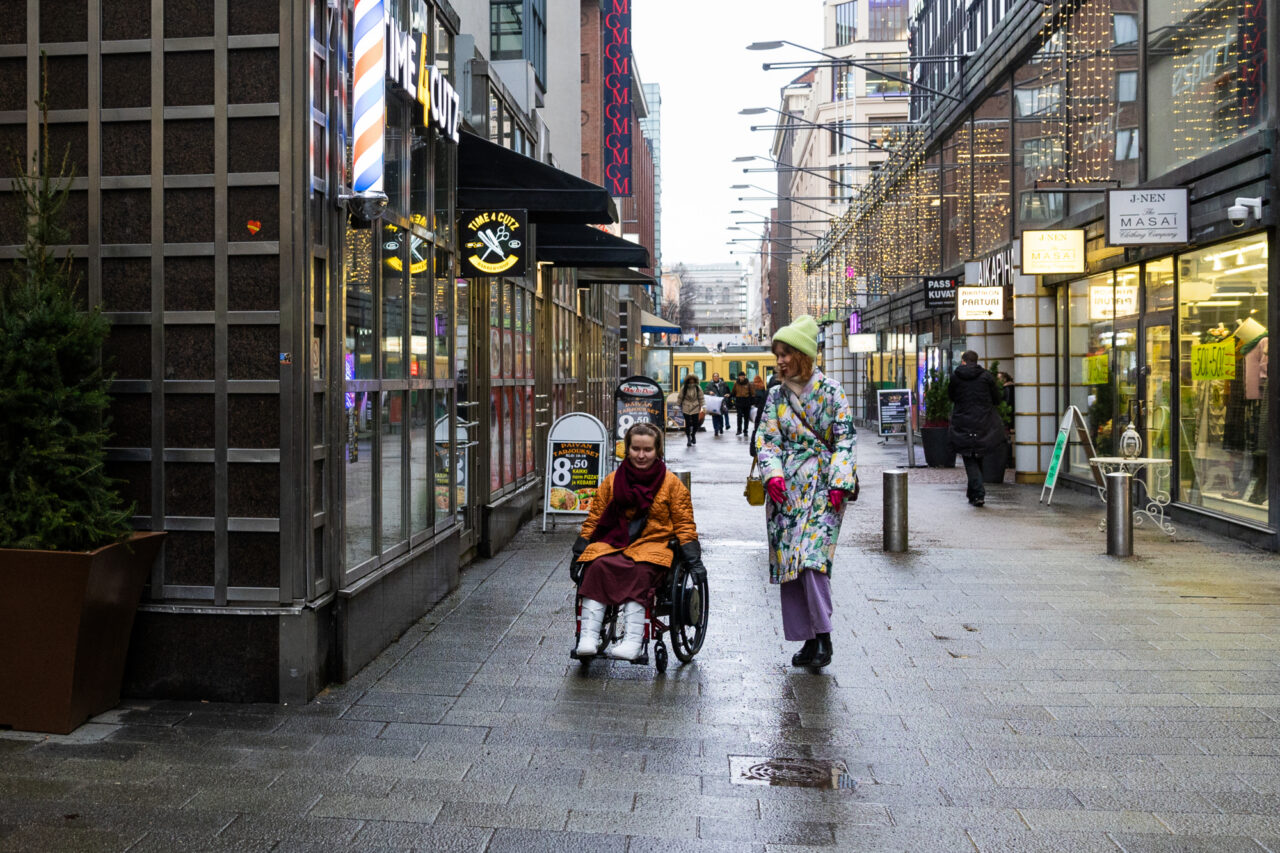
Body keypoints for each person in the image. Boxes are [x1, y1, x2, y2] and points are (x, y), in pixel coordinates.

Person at [756, 315, 856, 670]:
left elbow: (845, 437)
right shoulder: (775, 396)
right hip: (786, 492)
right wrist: (773, 475)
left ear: (803, 354)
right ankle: (808, 639)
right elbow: (766, 440)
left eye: (786, 353)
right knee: (790, 564)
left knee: (813, 560)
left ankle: (824, 634)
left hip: (824, 488)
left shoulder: (831, 391)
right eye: (777, 354)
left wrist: (840, 481)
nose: (780, 360)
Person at [572, 423, 704, 660]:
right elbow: (595, 517)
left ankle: (633, 641)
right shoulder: (612, 481)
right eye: (635, 449)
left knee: (641, 571)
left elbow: (684, 524)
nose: (641, 455)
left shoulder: (672, 484)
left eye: (647, 450)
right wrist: (579, 548)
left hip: (653, 545)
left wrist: (694, 560)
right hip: (614, 542)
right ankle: (588, 637)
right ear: (627, 449)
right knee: (596, 566)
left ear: (658, 451)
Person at [948, 350, 1005, 507]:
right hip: (983, 421)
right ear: (976, 360)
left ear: (964, 361)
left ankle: (977, 493)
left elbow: (951, 396)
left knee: (969, 456)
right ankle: (974, 493)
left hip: (963, 421)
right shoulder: (986, 377)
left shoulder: (955, 377)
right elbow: (997, 399)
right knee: (977, 454)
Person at [677, 374, 704, 446]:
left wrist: (703, 406)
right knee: (688, 424)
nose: (691, 381)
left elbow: (701, 397)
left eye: (693, 379)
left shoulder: (698, 388)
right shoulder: (684, 388)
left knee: (696, 424)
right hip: (686, 406)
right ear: (688, 380)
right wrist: (677, 405)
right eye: (690, 379)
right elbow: (680, 397)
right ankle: (688, 439)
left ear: (695, 380)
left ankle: (693, 434)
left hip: (695, 406)